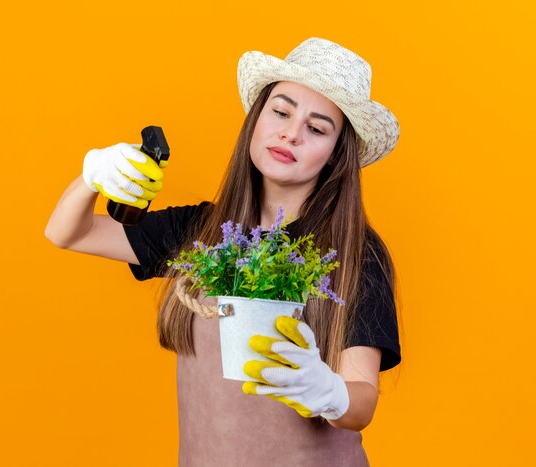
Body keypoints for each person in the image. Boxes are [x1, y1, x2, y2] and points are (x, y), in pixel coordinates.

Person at [46, 37, 401, 466]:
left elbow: (361, 405)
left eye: (317, 127)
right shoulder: (202, 230)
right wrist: (94, 175)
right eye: (282, 111)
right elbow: (70, 232)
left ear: (333, 156)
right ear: (256, 120)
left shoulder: (354, 253)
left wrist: (325, 390)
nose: (291, 132)